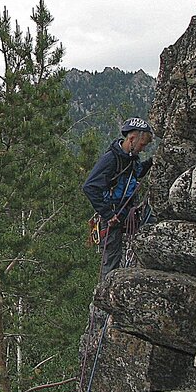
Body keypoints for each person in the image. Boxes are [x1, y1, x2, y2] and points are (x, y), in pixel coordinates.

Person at [82, 117, 154, 279]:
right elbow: (89, 187)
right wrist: (108, 214)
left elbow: (137, 173)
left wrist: (151, 163)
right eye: (142, 144)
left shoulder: (131, 159)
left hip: (127, 213)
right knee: (112, 259)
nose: (143, 149)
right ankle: (104, 295)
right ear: (132, 139)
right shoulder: (111, 159)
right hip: (113, 216)